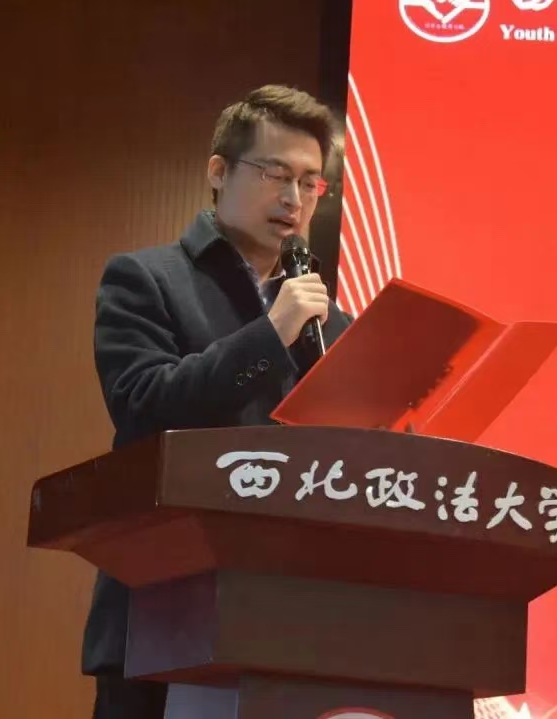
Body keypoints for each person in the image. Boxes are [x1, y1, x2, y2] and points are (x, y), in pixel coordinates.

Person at [82, 85, 353, 719]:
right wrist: (270, 334)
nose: (293, 199)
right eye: (275, 174)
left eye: (310, 183)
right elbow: (144, 403)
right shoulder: (145, 279)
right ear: (218, 171)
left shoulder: (327, 321)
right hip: (161, 613)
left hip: (289, 622)